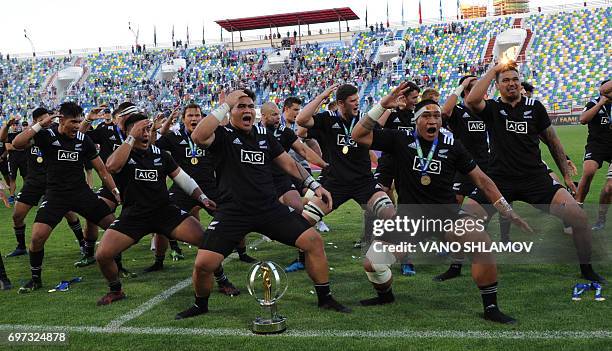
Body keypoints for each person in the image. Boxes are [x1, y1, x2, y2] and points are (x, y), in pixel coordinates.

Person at [352, 90, 531, 324]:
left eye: (437, 115)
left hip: (446, 216)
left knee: (482, 244)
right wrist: (383, 105)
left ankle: (491, 308)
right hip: (410, 219)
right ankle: (385, 296)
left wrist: (507, 210)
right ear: (416, 120)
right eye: (427, 116)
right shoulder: (399, 139)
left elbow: (483, 180)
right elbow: (358, 135)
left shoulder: (453, 146)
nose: (433, 120)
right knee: (372, 263)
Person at [176, 89, 350, 319]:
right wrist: (225, 105)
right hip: (234, 211)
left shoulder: (263, 135)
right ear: (230, 111)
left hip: (269, 209)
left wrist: (314, 185)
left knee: (313, 241)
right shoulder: (223, 134)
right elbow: (198, 136)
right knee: (203, 264)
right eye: (241, 107)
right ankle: (200, 305)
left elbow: (288, 164)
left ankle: (325, 298)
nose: (247, 110)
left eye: (250, 106)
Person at [464, 62, 605, 283]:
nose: (512, 84)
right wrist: (493, 70)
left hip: (535, 178)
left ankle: (587, 269)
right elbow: (472, 100)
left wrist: (566, 175)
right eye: (506, 80)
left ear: (520, 83)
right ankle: (457, 266)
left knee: (578, 216)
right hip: (499, 179)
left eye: (515, 79)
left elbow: (552, 141)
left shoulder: (535, 107)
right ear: (497, 85)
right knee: (466, 218)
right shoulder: (491, 108)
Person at [94, 113, 216, 305]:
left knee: (208, 241)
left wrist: (202, 197)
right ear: (128, 133)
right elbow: (111, 167)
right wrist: (131, 137)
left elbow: (182, 178)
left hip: (164, 211)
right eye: (140, 130)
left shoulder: (160, 154)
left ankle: (223, 280)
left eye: (147, 129)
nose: (145, 134)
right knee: (102, 255)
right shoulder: (123, 152)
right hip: (134, 215)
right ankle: (116, 290)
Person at [11, 102, 120, 293]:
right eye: (73, 122)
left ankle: (120, 267)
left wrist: (115, 192)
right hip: (55, 194)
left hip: (81, 193)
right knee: (37, 238)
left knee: (114, 228)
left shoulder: (82, 139)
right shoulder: (47, 135)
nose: (77, 126)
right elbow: (17, 143)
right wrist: (39, 125)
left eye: (79, 122)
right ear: (61, 120)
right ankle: (36, 279)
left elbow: (102, 170)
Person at [148, 103, 242, 296]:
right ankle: (159, 261)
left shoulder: (209, 135)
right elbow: (153, 147)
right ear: (183, 119)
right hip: (182, 189)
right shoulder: (174, 137)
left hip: (211, 187)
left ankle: (242, 252)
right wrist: (157, 129)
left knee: (232, 215)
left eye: (197, 115)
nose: (194, 118)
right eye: (190, 115)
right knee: (161, 220)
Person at [296, 84, 396, 258]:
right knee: (304, 222)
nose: (357, 103)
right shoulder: (327, 119)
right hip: (335, 184)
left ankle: (400, 260)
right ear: (341, 103)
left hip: (363, 182)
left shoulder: (364, 120)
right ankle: (302, 259)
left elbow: (377, 136)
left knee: (390, 214)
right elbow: (301, 120)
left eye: (358, 100)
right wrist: (322, 96)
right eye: (353, 101)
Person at [6, 107, 85, 258]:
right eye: (44, 119)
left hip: (53, 182)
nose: (48, 121)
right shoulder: (32, 133)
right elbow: (16, 143)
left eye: (49, 118)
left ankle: (82, 243)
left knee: (70, 214)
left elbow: (77, 134)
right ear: (36, 121)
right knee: (17, 215)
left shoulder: (56, 132)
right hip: (33, 182)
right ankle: (21, 246)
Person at [76, 103, 138, 276]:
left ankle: (166, 253)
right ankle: (89, 253)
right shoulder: (105, 130)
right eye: (126, 114)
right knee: (93, 214)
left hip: (135, 184)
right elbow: (79, 135)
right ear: (118, 116)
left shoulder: (138, 131)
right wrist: (88, 119)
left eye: (132, 114)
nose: (130, 117)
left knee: (152, 214)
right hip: (112, 183)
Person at [575, 80, 611, 231]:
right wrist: (599, 104)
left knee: (610, 188)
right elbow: (583, 119)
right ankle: (577, 209)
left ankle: (601, 219)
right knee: (589, 171)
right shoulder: (594, 102)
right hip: (596, 145)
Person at [0, 116, 27, 205]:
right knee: (12, 178)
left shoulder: (22, 134)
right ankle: (12, 196)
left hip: (24, 159)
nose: (15, 126)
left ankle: (26, 194)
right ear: (12, 126)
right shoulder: (10, 135)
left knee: (26, 177)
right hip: (12, 160)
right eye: (14, 125)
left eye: (17, 125)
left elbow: (26, 146)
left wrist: (15, 147)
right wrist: (21, 147)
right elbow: (8, 148)